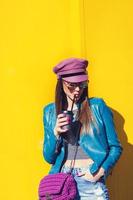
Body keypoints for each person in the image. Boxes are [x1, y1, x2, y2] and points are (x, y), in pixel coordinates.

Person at [42, 57, 123, 200]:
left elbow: (115, 147)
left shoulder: (97, 106)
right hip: (61, 180)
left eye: (82, 84)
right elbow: (49, 158)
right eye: (72, 85)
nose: (77, 90)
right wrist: (55, 133)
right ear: (61, 83)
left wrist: (100, 172)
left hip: (89, 177)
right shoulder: (50, 111)